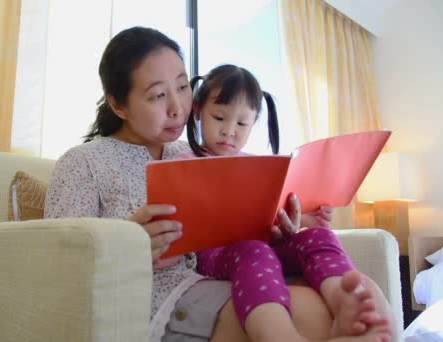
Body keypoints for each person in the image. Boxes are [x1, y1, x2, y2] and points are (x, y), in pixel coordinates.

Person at [45, 26, 392, 342]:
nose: (178, 108)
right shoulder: (83, 162)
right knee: (315, 315)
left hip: (232, 271)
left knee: (370, 295)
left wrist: (279, 225)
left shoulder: (199, 152)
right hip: (160, 295)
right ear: (118, 104)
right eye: (156, 96)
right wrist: (129, 246)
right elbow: (58, 270)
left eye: (182, 87)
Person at [175, 64, 390, 339]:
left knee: (318, 236)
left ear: (253, 123)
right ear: (198, 112)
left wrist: (306, 219)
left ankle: (343, 300)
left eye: (242, 123)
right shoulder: (184, 163)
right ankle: (278, 334)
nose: (229, 131)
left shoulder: (260, 167)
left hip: (265, 248)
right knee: (254, 250)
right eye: (219, 118)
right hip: (216, 255)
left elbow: (272, 215)